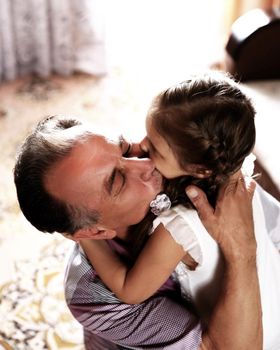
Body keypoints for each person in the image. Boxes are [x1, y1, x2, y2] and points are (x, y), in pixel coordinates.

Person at [14, 113, 263, 349]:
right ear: (95, 232)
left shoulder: (173, 159)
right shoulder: (95, 299)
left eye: (123, 148)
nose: (146, 163)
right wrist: (241, 249)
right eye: (118, 181)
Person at [75, 72, 280, 349]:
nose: (142, 145)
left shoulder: (179, 226)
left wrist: (84, 236)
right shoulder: (242, 186)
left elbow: (129, 290)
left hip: (252, 335)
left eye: (156, 149)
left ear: (200, 170)